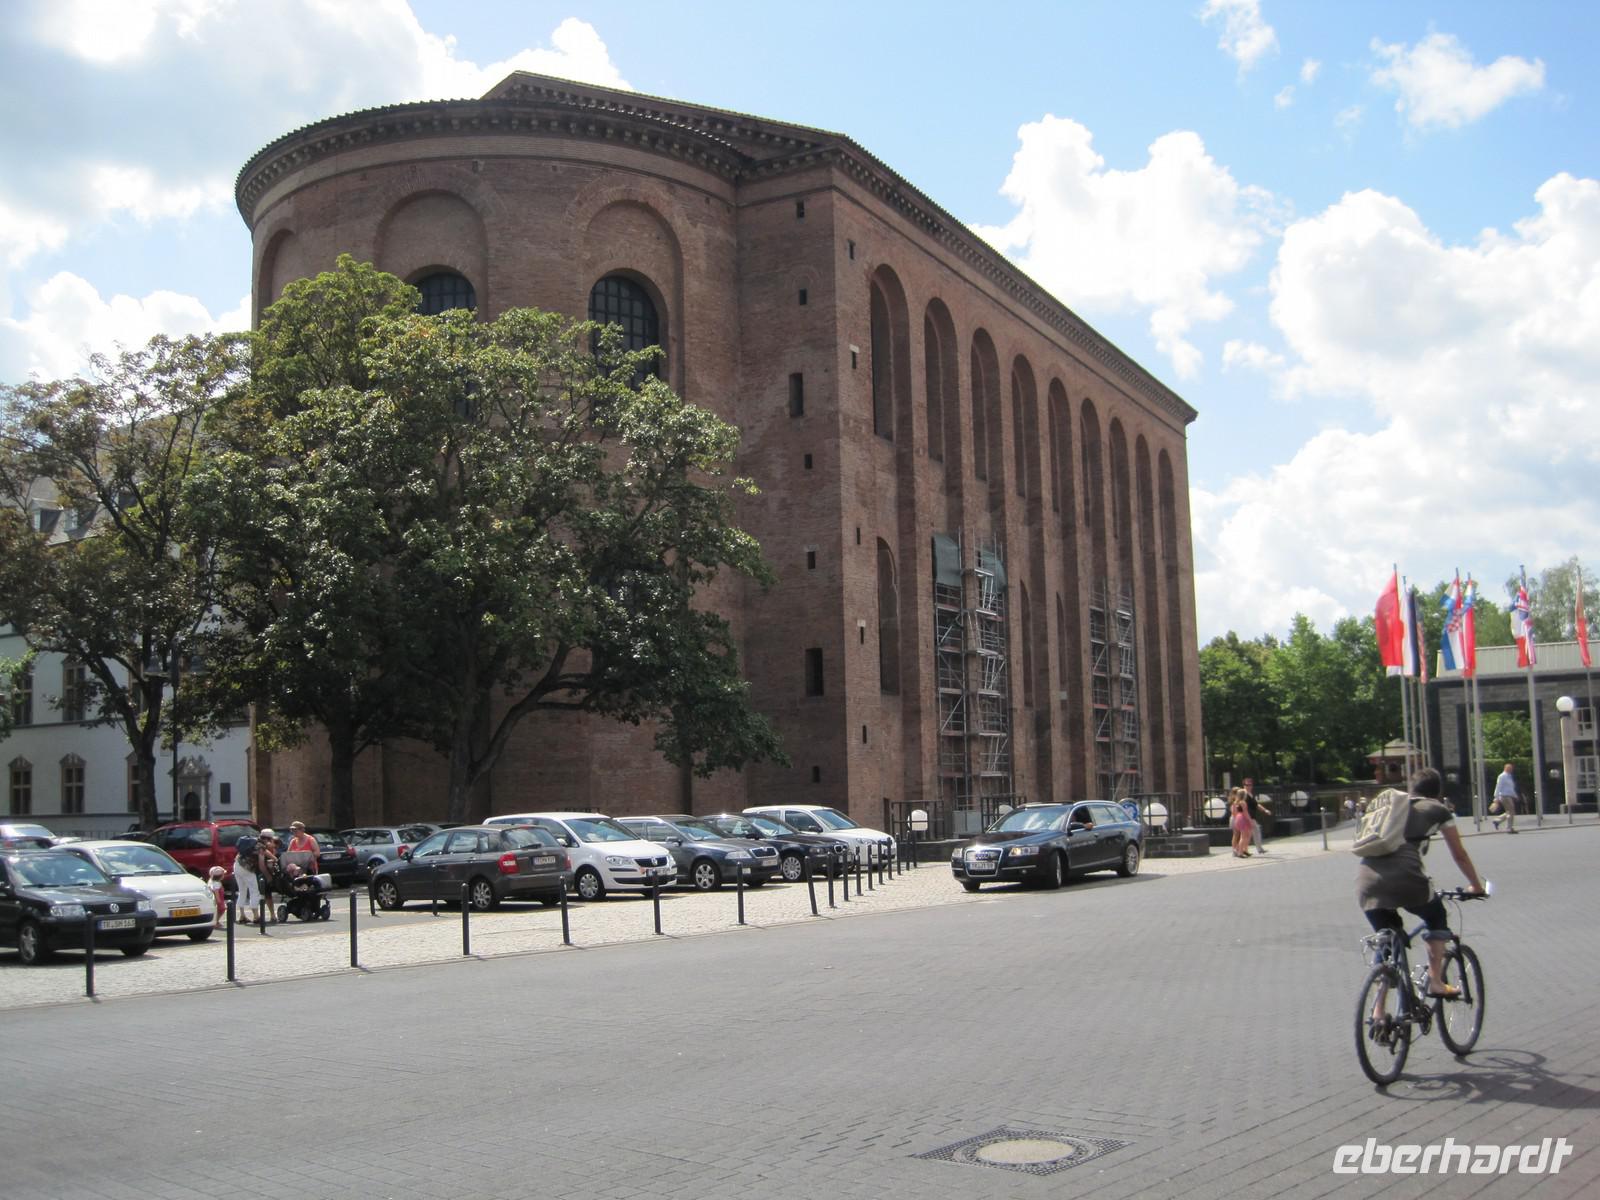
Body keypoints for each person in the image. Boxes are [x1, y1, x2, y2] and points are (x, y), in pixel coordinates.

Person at [1356, 766, 1485, 997]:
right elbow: (1459, 854)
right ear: (1437, 792)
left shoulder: (1390, 810)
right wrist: (1475, 885)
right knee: (1436, 917)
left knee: (1387, 939)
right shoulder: (1437, 809)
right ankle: (1435, 982)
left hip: (1366, 882)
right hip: (1407, 879)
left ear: (1411, 788)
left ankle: (1377, 1012)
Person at [232, 832, 263, 923]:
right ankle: (256, 916)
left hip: (237, 865)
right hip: (247, 868)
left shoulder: (247, 842)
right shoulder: (260, 845)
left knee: (242, 891)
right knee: (254, 890)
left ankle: (242, 915)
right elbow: (262, 858)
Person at [257, 829, 280, 922]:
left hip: (254, 872)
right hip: (262, 873)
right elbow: (262, 864)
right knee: (266, 894)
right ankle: (271, 915)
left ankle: (269, 915)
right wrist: (268, 876)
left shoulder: (258, 844)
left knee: (263, 894)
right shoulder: (262, 846)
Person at [1492, 763, 1520, 834]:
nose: (1511, 770)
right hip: (1504, 796)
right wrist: (1496, 797)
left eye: (1511, 768)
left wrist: (1515, 796)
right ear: (1505, 768)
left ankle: (1497, 820)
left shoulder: (1509, 776)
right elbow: (1498, 786)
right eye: (1509, 768)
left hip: (1509, 796)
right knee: (1511, 812)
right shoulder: (1502, 776)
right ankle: (1509, 828)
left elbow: (1510, 788)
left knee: (1510, 812)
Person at [1243, 778, 1268, 854]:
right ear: (1243, 785)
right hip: (1247, 817)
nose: (1248, 786)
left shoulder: (1250, 794)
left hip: (1251, 816)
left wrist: (1265, 810)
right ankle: (1242, 850)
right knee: (1249, 833)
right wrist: (1247, 817)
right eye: (1246, 785)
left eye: (1250, 785)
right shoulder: (1244, 794)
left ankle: (1244, 850)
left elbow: (1256, 804)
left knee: (1251, 833)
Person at [1229, 788, 1253, 858]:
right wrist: (1250, 820)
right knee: (1243, 836)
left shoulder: (1235, 802)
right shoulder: (1243, 802)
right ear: (1244, 795)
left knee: (1242, 835)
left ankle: (1240, 851)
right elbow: (1245, 812)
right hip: (1243, 818)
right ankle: (1240, 852)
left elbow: (1234, 812)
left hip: (1238, 818)